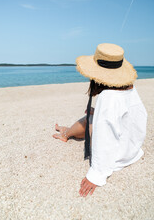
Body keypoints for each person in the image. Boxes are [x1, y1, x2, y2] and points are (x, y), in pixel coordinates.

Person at [53, 43, 147, 197]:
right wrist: (99, 113)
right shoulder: (130, 88)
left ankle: (66, 134)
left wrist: (96, 175)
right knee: (94, 115)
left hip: (118, 156)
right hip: (132, 150)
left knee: (89, 118)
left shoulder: (108, 97)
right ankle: (67, 130)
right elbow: (131, 116)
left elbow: (105, 137)